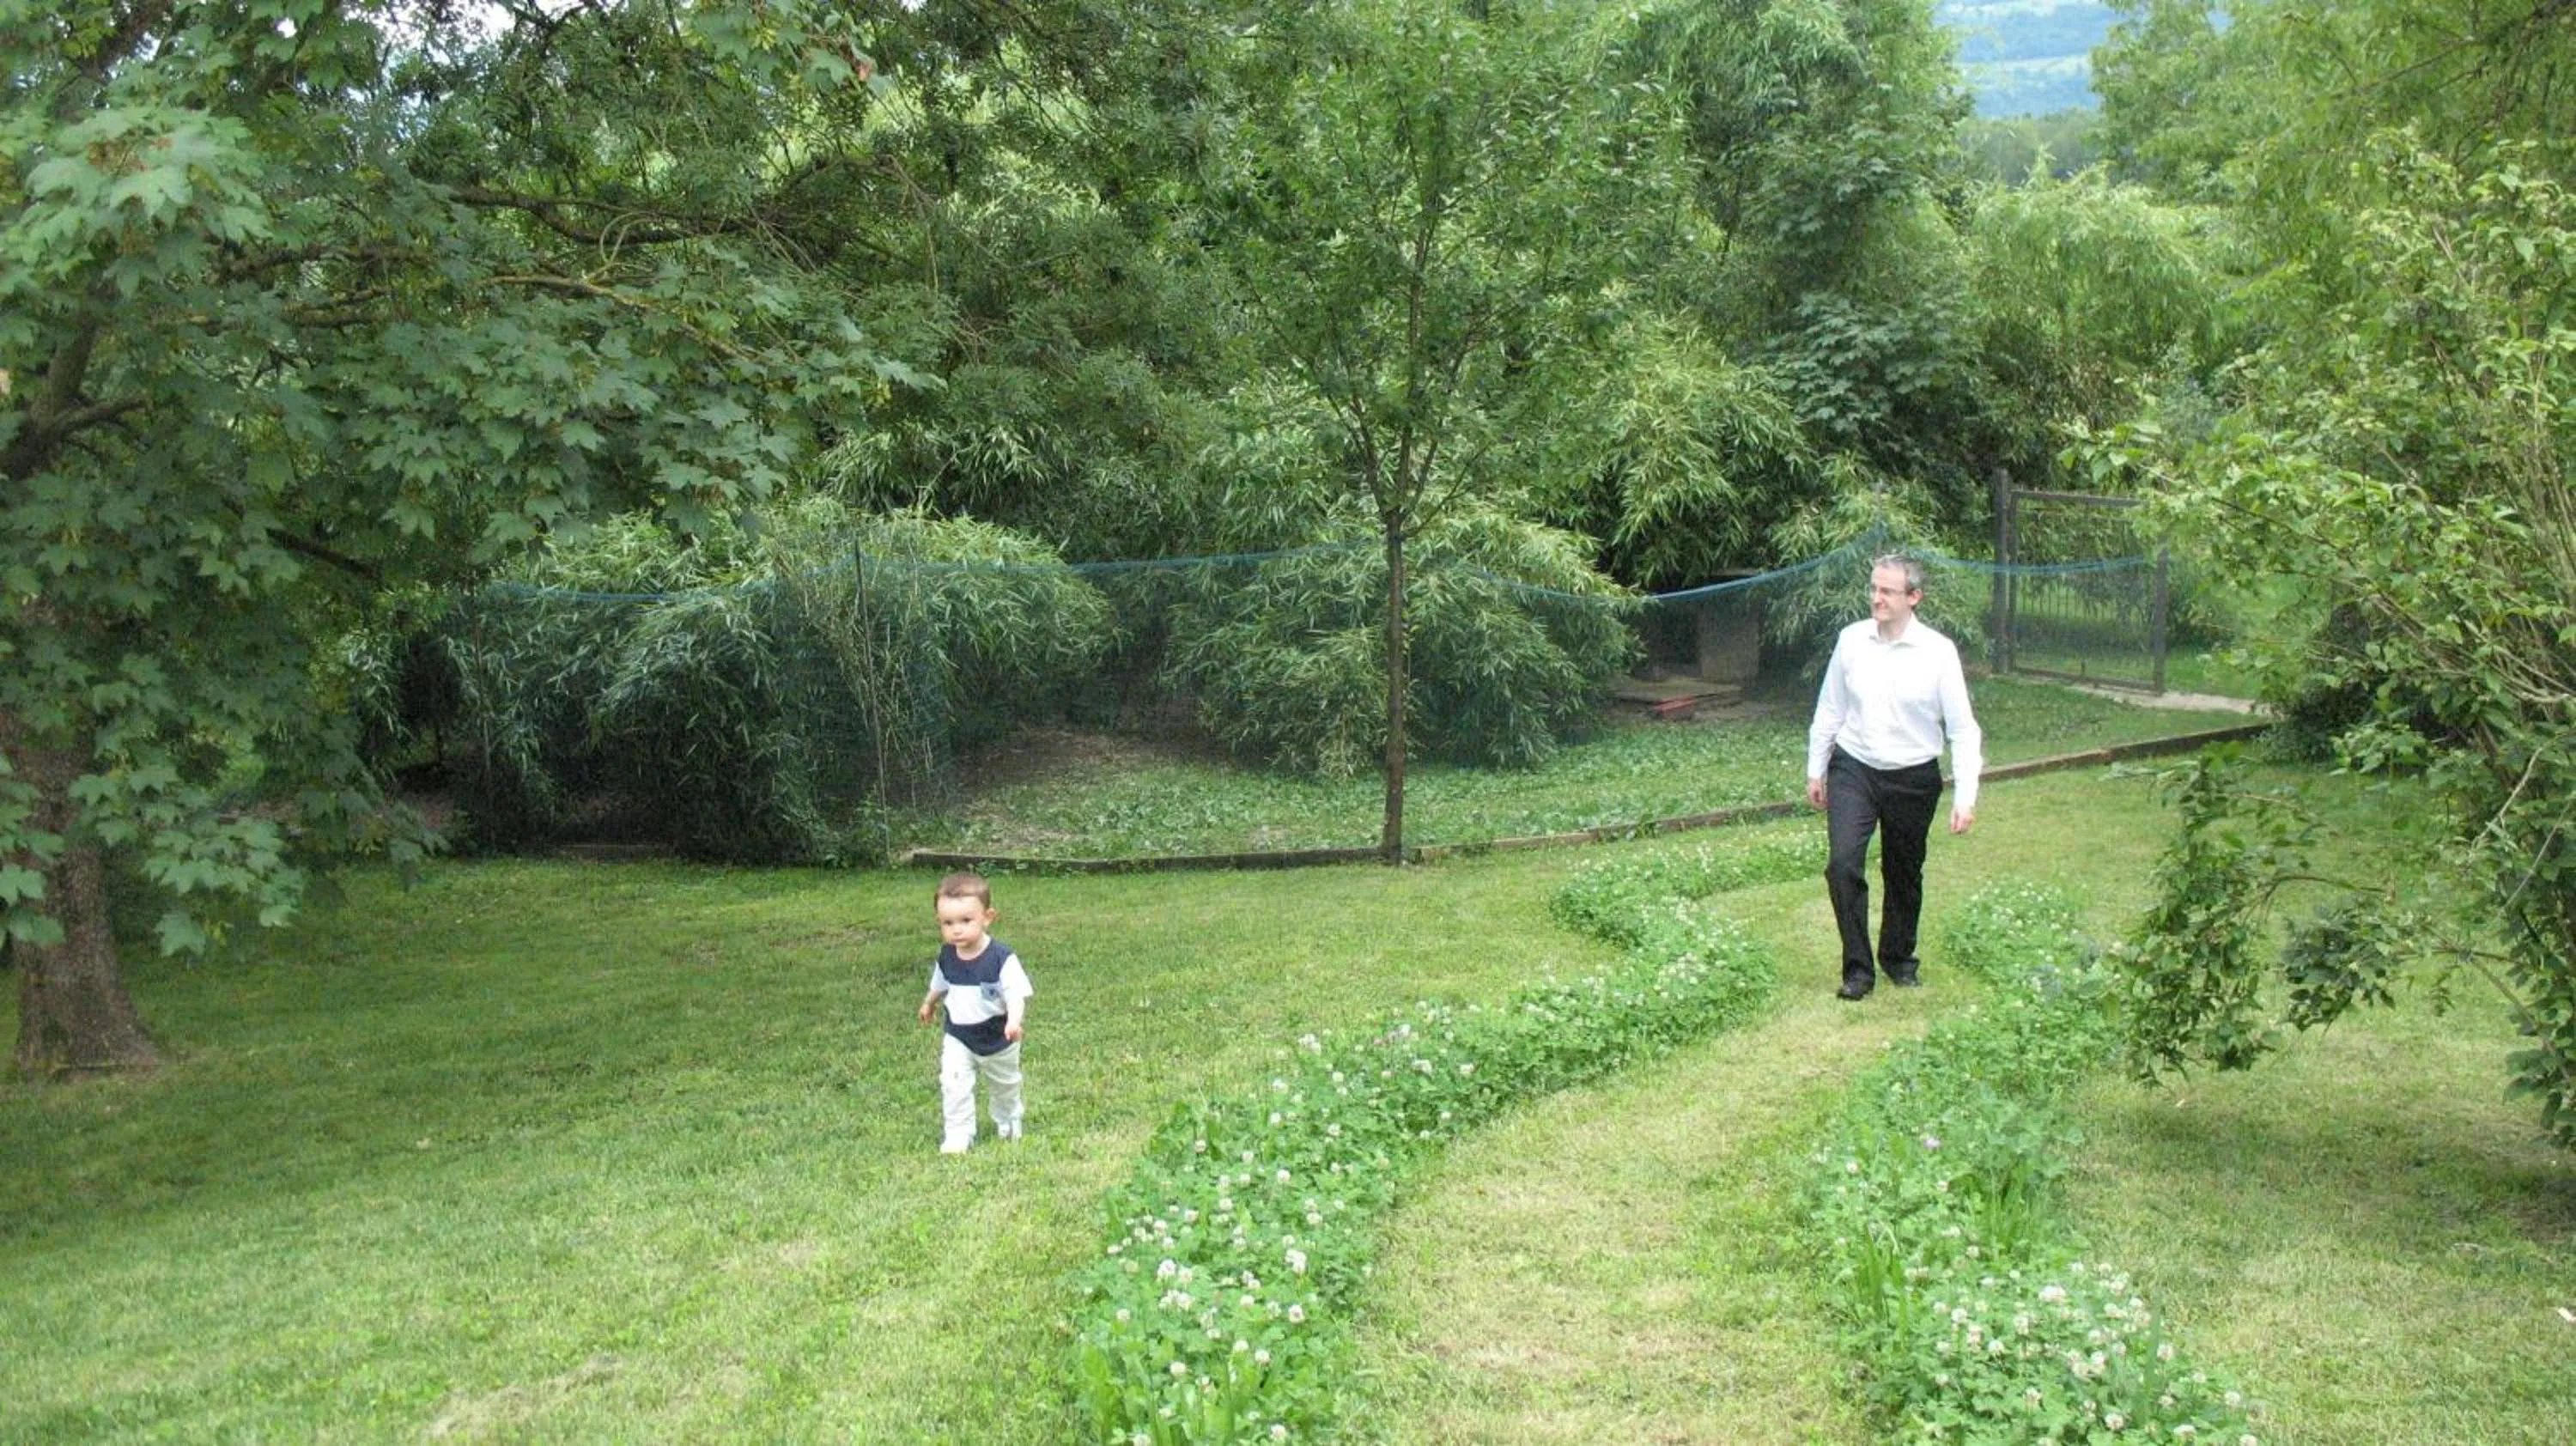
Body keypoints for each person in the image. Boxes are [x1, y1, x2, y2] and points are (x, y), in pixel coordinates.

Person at [1804, 554, 1983, 1000]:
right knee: (1843, 864)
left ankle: (1899, 959)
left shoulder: (1938, 653)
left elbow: (1962, 729)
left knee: (1903, 871)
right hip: (1855, 768)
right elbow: (1830, 707)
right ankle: (1858, 971)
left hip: (1914, 775)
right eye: (1873, 588)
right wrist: (1816, 767)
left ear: (1914, 597)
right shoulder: (1851, 641)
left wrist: (1966, 796)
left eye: (1887, 591)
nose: (1876, 598)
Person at [916, 872, 1034, 1153]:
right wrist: (929, 1003)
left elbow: (1015, 995)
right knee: (953, 1083)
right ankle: (959, 1133)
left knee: (1005, 1085)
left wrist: (1014, 1022)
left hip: (998, 1037)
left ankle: (1008, 1120)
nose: (956, 930)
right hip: (959, 1036)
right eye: (948, 923)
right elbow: (940, 982)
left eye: (966, 921)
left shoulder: (1001, 958)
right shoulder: (947, 956)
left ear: (987, 917)